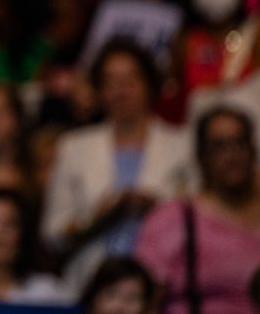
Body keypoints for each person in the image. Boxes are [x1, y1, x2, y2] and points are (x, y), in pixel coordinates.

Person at [41, 38, 192, 293]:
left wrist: (157, 208)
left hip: (165, 287)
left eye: (131, 80)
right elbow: (52, 234)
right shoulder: (74, 147)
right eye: (110, 81)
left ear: (150, 84)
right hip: (91, 285)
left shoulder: (183, 144)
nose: (121, 91)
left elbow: (201, 222)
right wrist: (98, 217)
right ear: (99, 90)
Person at [135, 107, 260, 314]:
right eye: (219, 146)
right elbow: (143, 299)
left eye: (240, 142)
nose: (232, 155)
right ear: (201, 156)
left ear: (253, 150)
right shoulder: (172, 220)